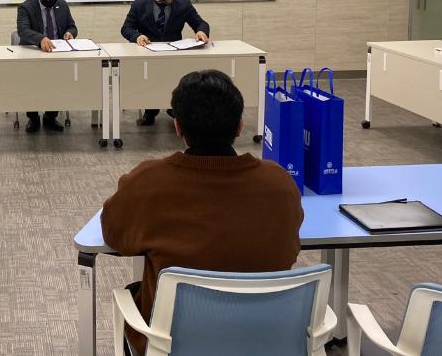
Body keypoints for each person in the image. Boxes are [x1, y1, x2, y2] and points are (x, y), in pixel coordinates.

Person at [101, 70, 303, 356]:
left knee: (136, 292)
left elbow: (114, 233)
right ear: (240, 126)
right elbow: (291, 246)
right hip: (265, 338)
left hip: (174, 342)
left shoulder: (149, 182)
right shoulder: (279, 183)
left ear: (177, 127)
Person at [120, 0, 210, 125]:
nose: (162, 3)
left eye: (167, 1)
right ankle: (150, 111)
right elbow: (126, 28)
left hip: (173, 53)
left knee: (175, 81)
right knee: (150, 81)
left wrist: (201, 31)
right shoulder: (139, 5)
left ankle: (174, 108)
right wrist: (137, 36)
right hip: (148, 52)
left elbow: (200, 23)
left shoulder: (183, 4)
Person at [16, 0, 77, 133]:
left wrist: (70, 33)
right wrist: (40, 38)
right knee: (32, 85)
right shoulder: (26, 7)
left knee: (56, 85)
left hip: (57, 54)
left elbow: (72, 26)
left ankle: (50, 117)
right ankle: (33, 117)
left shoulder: (62, 4)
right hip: (33, 54)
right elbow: (23, 30)